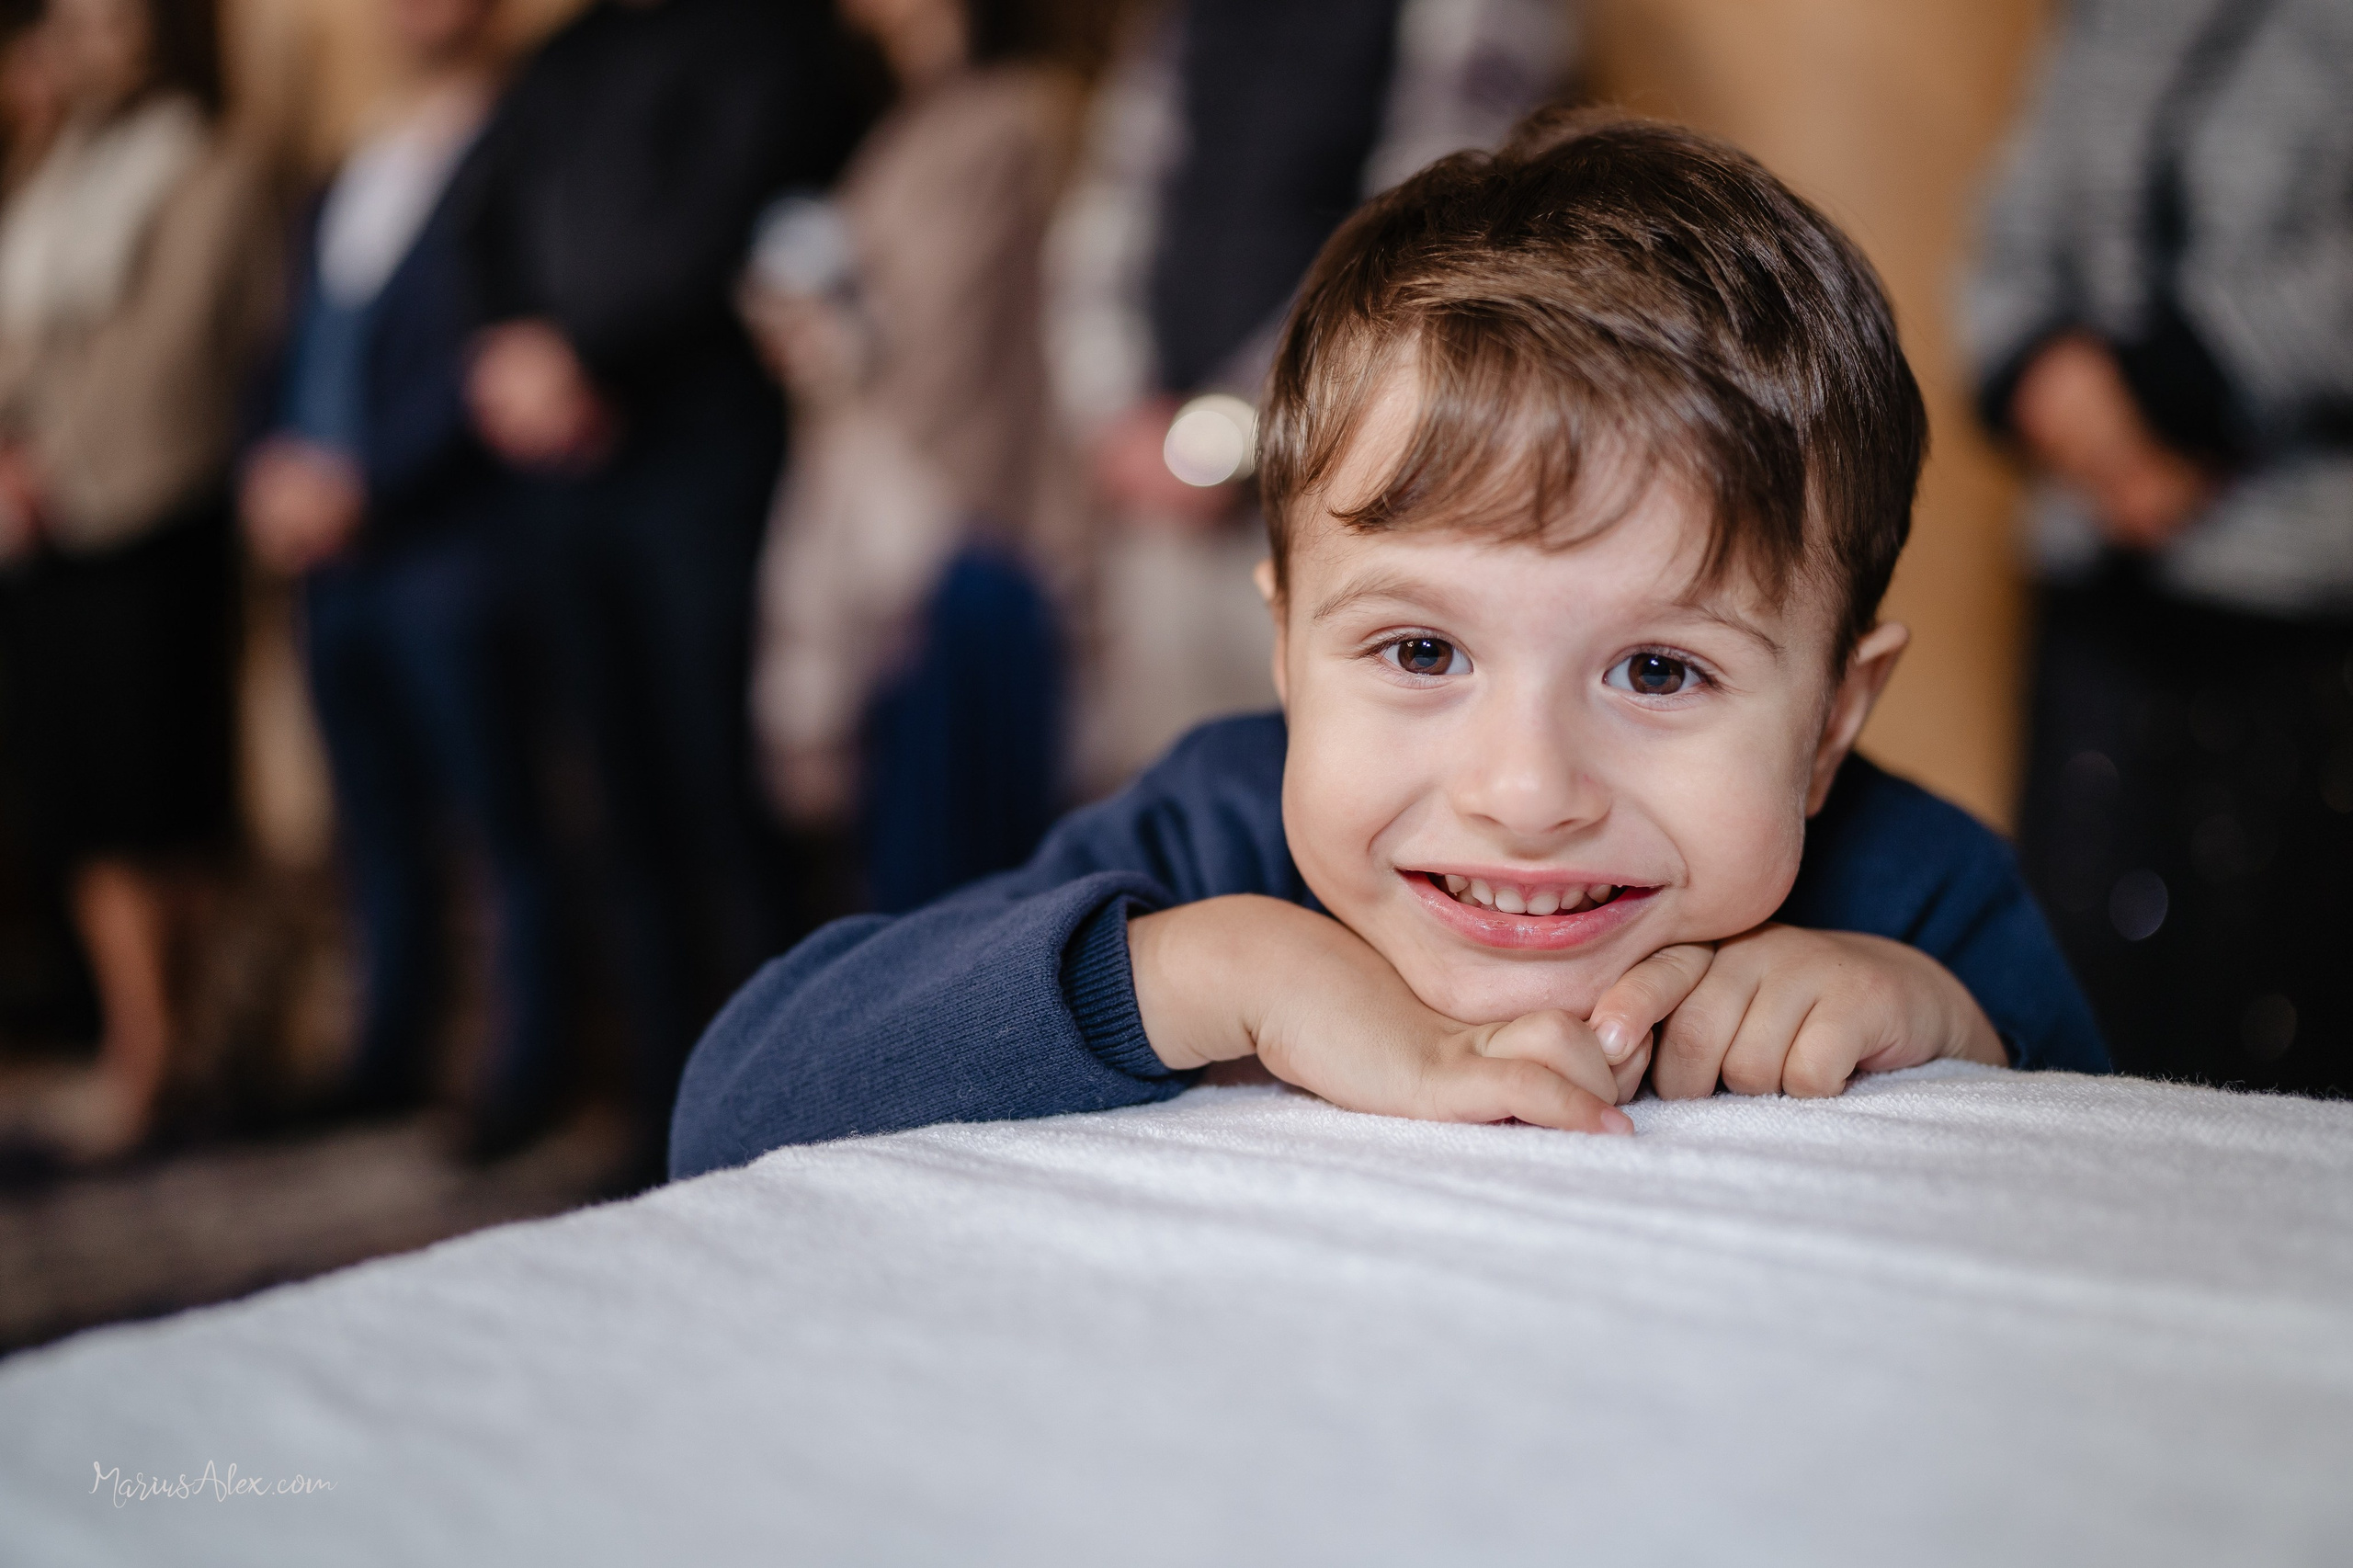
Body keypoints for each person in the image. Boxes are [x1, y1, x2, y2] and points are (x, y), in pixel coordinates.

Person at [667, 112, 2109, 1178]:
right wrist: (1218, 972)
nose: (1524, 791)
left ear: (1832, 722)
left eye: (1659, 670)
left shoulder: (1916, 899)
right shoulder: (1216, 841)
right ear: (1287, 648)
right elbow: (732, 1104)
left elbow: (2144, 1219)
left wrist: (1958, 1039)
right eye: (1422, 652)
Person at [460, 0, 864, 1173]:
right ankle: (657, 1108)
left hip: (701, 462)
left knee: (723, 793)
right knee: (620, 803)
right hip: (565, 476)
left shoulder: (766, 40)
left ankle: (774, 1101)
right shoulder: (561, 54)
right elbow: (481, 220)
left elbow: (723, 214)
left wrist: (583, 350)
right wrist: (509, 349)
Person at [1964, 0, 2353, 1096]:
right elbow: (2008, 241)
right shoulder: (2106, 19)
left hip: (2298, 604)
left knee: (2276, 1020)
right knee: (2080, 997)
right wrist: (2060, 392)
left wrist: (2173, 392)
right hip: (2096, 583)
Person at [1047, 0, 1573, 792]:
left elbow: (1434, 227)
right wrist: (1112, 402)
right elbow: (1122, 188)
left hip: (1353, 482)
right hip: (1152, 478)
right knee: (1167, 795)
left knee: (1342, 788)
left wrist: (1225, 432)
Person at [240, 0, 563, 1156]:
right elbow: (291, 342)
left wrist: (372, 478)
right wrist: (266, 464)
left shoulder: (524, 137)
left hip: (451, 546)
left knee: (502, 818)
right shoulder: (353, 165)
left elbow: (498, 343)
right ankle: (389, 1050)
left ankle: (531, 1063)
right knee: (373, 823)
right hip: (329, 558)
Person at [0, 0, 274, 1162]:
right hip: (44, 527)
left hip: (146, 514)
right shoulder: (59, 167)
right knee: (81, 805)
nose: (89, 47)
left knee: (155, 802)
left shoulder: (215, 163)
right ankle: (139, 1049)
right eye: (72, 27)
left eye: (111, 22)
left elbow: (179, 351)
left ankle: (164, 1059)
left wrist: (56, 467)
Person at [742, 0, 1081, 913]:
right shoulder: (905, 120)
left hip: (959, 514)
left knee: (960, 854)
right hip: (879, 509)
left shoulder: (1011, 116)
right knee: (893, 843)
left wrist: (819, 329)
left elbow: (946, 337)